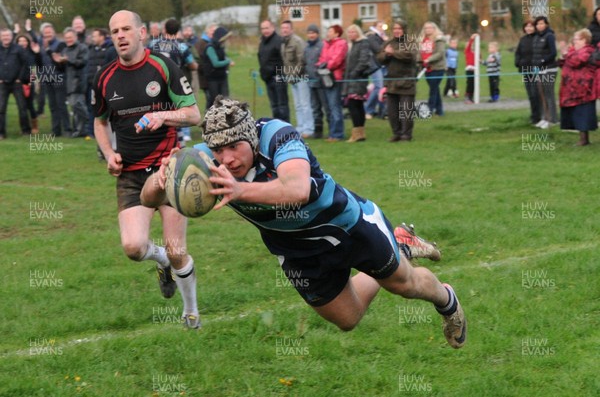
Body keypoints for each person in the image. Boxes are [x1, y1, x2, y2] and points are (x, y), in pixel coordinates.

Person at [142, 96, 467, 348]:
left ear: (250, 139)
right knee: (348, 319)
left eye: (234, 147)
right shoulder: (200, 162)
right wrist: (159, 183)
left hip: (347, 226)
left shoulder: (278, 136)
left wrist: (241, 190)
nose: (226, 158)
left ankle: (447, 301)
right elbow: (146, 200)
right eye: (218, 149)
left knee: (404, 285)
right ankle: (400, 245)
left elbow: (296, 189)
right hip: (297, 252)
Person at [92, 10, 202, 329]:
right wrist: (109, 152)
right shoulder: (104, 77)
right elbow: (99, 122)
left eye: (126, 29)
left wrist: (163, 116)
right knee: (133, 247)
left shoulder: (164, 67)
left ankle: (191, 311)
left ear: (142, 33)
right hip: (129, 173)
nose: (120, 35)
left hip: (169, 168)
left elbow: (194, 114)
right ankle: (161, 261)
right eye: (114, 31)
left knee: (178, 249)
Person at [148, 18, 198, 143]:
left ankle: (158, 135)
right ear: (177, 31)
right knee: (179, 110)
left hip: (155, 82)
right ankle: (182, 137)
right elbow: (192, 65)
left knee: (158, 109)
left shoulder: (153, 44)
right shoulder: (182, 46)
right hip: (174, 83)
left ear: (164, 29)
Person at [377, 20, 419, 142]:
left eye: (399, 28)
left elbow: (409, 56)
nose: (396, 30)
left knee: (406, 111)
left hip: (407, 82)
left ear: (404, 30)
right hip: (391, 82)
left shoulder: (410, 41)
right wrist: (387, 55)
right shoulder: (388, 43)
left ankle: (406, 135)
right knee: (392, 112)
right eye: (395, 28)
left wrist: (393, 52)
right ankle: (396, 133)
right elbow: (379, 57)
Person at [559, 29, 596, 146]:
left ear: (584, 40)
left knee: (583, 114)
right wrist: (563, 55)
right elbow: (563, 63)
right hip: (572, 88)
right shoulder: (574, 51)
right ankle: (582, 139)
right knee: (575, 113)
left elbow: (577, 61)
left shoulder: (587, 51)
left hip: (583, 88)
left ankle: (584, 140)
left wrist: (567, 54)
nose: (574, 41)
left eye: (576, 38)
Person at [280, 20, 314, 138]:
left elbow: (301, 61)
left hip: (301, 77)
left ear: (291, 29)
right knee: (297, 105)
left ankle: (309, 129)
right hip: (291, 78)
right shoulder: (284, 42)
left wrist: (294, 75)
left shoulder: (297, 41)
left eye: (286, 28)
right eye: (282, 28)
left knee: (305, 104)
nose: (284, 30)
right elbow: (286, 62)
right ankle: (300, 127)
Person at [317, 24, 347, 141]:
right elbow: (322, 59)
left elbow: (337, 59)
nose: (328, 33)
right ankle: (332, 133)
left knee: (335, 106)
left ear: (336, 33)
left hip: (335, 78)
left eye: (330, 31)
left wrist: (326, 66)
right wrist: (320, 66)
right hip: (324, 77)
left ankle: (337, 134)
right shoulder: (325, 44)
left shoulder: (341, 43)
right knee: (328, 107)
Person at [56, 28, 89, 138]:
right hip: (69, 82)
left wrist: (68, 60)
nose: (68, 40)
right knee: (74, 108)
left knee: (77, 105)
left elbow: (82, 62)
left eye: (70, 37)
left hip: (79, 82)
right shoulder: (65, 50)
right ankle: (80, 131)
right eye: (66, 38)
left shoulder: (82, 48)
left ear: (75, 37)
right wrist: (58, 62)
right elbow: (62, 68)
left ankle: (91, 121)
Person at [40, 22, 71, 136]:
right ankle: (56, 130)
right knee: (52, 106)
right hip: (47, 78)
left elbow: (61, 62)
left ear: (53, 33)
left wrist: (49, 51)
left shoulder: (60, 45)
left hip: (59, 77)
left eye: (49, 32)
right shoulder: (42, 46)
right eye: (45, 33)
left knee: (61, 105)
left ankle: (67, 129)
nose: (48, 34)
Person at [0, 28, 31, 139]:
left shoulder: (18, 49)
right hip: (3, 83)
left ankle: (26, 131)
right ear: (0, 37)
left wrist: (20, 78)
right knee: (1, 109)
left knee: (22, 107)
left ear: (11, 36)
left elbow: (25, 63)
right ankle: (1, 133)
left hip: (16, 83)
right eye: (3, 36)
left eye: (7, 35)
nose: (5, 38)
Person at [342, 24, 371, 142]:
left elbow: (363, 61)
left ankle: (357, 133)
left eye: (353, 32)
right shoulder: (351, 45)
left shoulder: (363, 43)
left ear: (358, 33)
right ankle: (360, 133)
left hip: (358, 79)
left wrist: (354, 73)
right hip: (351, 79)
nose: (351, 34)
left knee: (354, 105)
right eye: (349, 32)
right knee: (357, 105)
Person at [86, 28, 116, 138]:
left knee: (107, 108)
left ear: (102, 37)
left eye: (95, 36)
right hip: (92, 83)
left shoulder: (110, 50)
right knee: (93, 108)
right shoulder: (92, 49)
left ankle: (110, 132)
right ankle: (92, 132)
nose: (93, 38)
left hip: (105, 85)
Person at [258, 20, 290, 122]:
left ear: (272, 28)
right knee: (274, 106)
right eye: (263, 28)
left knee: (282, 105)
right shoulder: (262, 41)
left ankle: (286, 128)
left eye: (267, 28)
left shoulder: (279, 41)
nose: (265, 31)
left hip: (278, 77)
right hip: (267, 79)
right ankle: (277, 128)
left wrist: (278, 73)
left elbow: (284, 60)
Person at [532, 16, 558, 129]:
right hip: (539, 70)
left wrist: (543, 60)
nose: (540, 26)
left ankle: (553, 119)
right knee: (541, 94)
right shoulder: (536, 37)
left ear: (546, 24)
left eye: (542, 23)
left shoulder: (550, 36)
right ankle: (544, 117)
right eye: (538, 24)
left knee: (549, 94)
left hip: (549, 69)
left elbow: (553, 53)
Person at [304, 24, 328, 139]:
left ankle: (333, 131)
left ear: (317, 34)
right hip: (310, 81)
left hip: (322, 81)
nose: (311, 35)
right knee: (315, 107)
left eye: (313, 33)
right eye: (309, 33)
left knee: (326, 106)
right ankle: (318, 131)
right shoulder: (306, 47)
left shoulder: (322, 45)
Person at [15, 33, 42, 134]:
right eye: (20, 41)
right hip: (17, 82)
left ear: (28, 42)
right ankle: (25, 127)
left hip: (29, 82)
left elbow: (38, 65)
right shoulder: (15, 52)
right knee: (22, 106)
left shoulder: (31, 53)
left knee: (30, 105)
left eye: (24, 41)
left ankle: (34, 126)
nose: (22, 43)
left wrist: (37, 53)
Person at [515, 20, 540, 125]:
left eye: (531, 26)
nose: (529, 28)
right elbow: (518, 52)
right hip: (525, 69)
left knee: (536, 93)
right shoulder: (523, 39)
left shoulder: (538, 38)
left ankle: (539, 116)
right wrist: (518, 62)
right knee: (530, 94)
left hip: (535, 69)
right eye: (527, 26)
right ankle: (533, 116)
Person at [202, 26, 234, 109]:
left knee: (225, 100)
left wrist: (226, 59)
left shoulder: (220, 47)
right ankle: (209, 118)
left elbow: (223, 57)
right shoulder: (210, 47)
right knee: (215, 102)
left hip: (222, 77)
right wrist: (228, 61)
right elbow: (215, 63)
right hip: (213, 79)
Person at [419, 21, 446, 116]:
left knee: (433, 89)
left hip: (437, 68)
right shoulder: (423, 40)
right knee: (435, 89)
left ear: (434, 29)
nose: (427, 30)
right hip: (426, 68)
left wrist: (428, 59)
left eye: (430, 28)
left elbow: (440, 53)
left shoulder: (439, 39)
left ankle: (429, 109)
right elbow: (420, 52)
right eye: (426, 28)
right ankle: (440, 110)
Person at [364, 21, 387, 119]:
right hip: (374, 65)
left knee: (382, 88)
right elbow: (377, 49)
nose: (382, 28)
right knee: (378, 87)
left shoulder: (381, 37)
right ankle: (368, 110)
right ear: (374, 27)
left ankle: (382, 111)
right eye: (380, 26)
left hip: (382, 65)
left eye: (383, 26)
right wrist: (386, 42)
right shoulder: (372, 36)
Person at [195, 23, 218, 111]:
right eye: (212, 31)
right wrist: (207, 69)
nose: (214, 33)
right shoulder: (201, 43)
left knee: (213, 98)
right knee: (210, 98)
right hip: (205, 77)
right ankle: (207, 118)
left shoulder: (213, 43)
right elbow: (198, 60)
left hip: (213, 76)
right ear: (207, 31)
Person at [464, 34, 476, 104]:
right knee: (470, 84)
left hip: (475, 70)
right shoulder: (467, 52)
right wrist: (472, 39)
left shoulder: (475, 53)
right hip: (469, 70)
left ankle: (471, 97)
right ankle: (468, 97)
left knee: (474, 84)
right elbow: (469, 46)